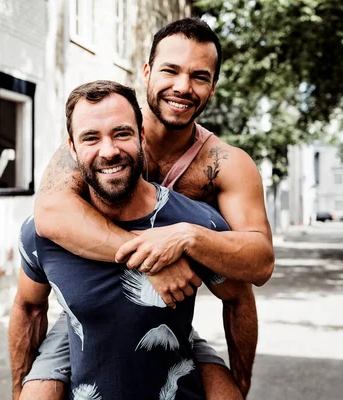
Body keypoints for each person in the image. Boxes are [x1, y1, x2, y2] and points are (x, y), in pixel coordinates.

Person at [26, 17, 274, 399]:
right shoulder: (107, 133)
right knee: (37, 392)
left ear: (213, 86)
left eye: (199, 76)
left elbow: (259, 263)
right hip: (88, 310)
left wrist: (185, 237)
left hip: (167, 311)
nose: (182, 87)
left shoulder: (227, 165)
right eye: (170, 70)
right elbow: (49, 214)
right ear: (147, 72)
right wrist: (150, 259)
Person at [11, 80, 243, 399]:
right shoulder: (43, 233)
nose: (109, 151)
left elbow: (238, 297)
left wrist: (240, 383)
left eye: (122, 133)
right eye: (91, 138)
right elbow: (28, 307)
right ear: (72, 149)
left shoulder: (198, 222)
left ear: (141, 136)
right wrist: (19, 388)